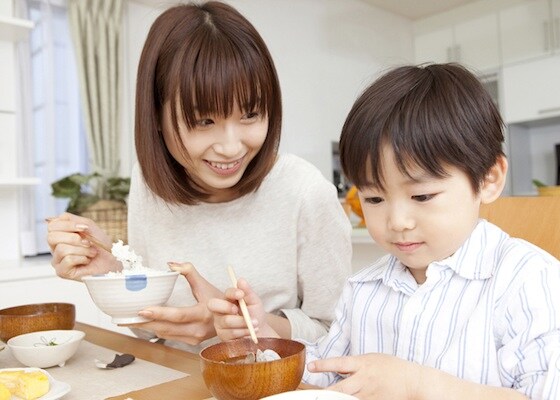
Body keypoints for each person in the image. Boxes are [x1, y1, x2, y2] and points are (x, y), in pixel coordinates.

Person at [209, 63, 560, 399]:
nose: (396, 221)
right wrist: (264, 338)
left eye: (422, 195)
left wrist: (418, 385)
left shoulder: (527, 279)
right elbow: (325, 370)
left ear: (489, 179)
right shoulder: (364, 290)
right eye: (375, 199)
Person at [46, 1, 352, 352]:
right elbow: (150, 332)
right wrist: (111, 272)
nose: (231, 146)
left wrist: (250, 326)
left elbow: (337, 331)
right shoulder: (149, 185)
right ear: (156, 115)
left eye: (251, 114)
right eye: (204, 121)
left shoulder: (304, 192)